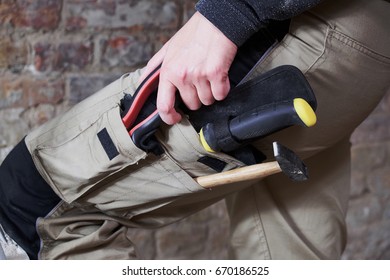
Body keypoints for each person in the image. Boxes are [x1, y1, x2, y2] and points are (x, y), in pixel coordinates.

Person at [0, 0, 389, 259]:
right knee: (287, 255)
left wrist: (229, 12)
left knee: (30, 209)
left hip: (303, 30)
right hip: (357, 52)